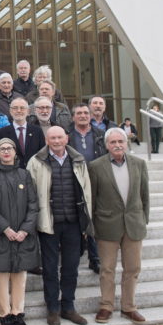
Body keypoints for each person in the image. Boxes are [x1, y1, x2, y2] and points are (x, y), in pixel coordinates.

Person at [26, 126, 92, 325]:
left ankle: (68, 306)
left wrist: (87, 220)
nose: (56, 141)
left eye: (59, 137)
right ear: (47, 140)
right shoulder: (36, 161)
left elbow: (87, 189)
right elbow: (30, 193)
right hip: (49, 223)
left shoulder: (78, 160)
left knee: (71, 267)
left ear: (66, 139)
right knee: (50, 268)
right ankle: (53, 308)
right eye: (52, 138)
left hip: (73, 222)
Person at [90, 128, 150, 325]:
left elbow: (144, 195)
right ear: (107, 145)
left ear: (126, 143)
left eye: (120, 141)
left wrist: (143, 219)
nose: (117, 145)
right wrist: (91, 225)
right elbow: (92, 198)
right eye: (113, 142)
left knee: (132, 268)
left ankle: (129, 307)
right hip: (107, 226)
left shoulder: (139, 164)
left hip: (133, 224)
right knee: (107, 269)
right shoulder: (96, 166)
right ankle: (106, 306)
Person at [0, 138, 39, 325]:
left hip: (22, 235)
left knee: (19, 275)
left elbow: (33, 205)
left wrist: (25, 229)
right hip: (0, 234)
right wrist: (5, 228)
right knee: (1, 275)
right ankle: (4, 313)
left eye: (9, 148)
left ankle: (18, 312)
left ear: (15, 152)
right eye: (2, 149)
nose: (6, 152)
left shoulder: (24, 175)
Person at [67, 103, 106, 275]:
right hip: (73, 181)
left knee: (93, 218)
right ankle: (78, 251)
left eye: (85, 113)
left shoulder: (100, 135)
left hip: (96, 181)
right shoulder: (67, 135)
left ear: (90, 116)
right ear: (73, 117)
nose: (83, 116)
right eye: (79, 113)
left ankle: (95, 258)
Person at [0, 97, 45, 169]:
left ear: (28, 111)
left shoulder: (37, 131)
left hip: (34, 171)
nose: (19, 111)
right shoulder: (2, 132)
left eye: (22, 108)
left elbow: (42, 154)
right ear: (10, 111)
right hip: (10, 172)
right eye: (15, 108)